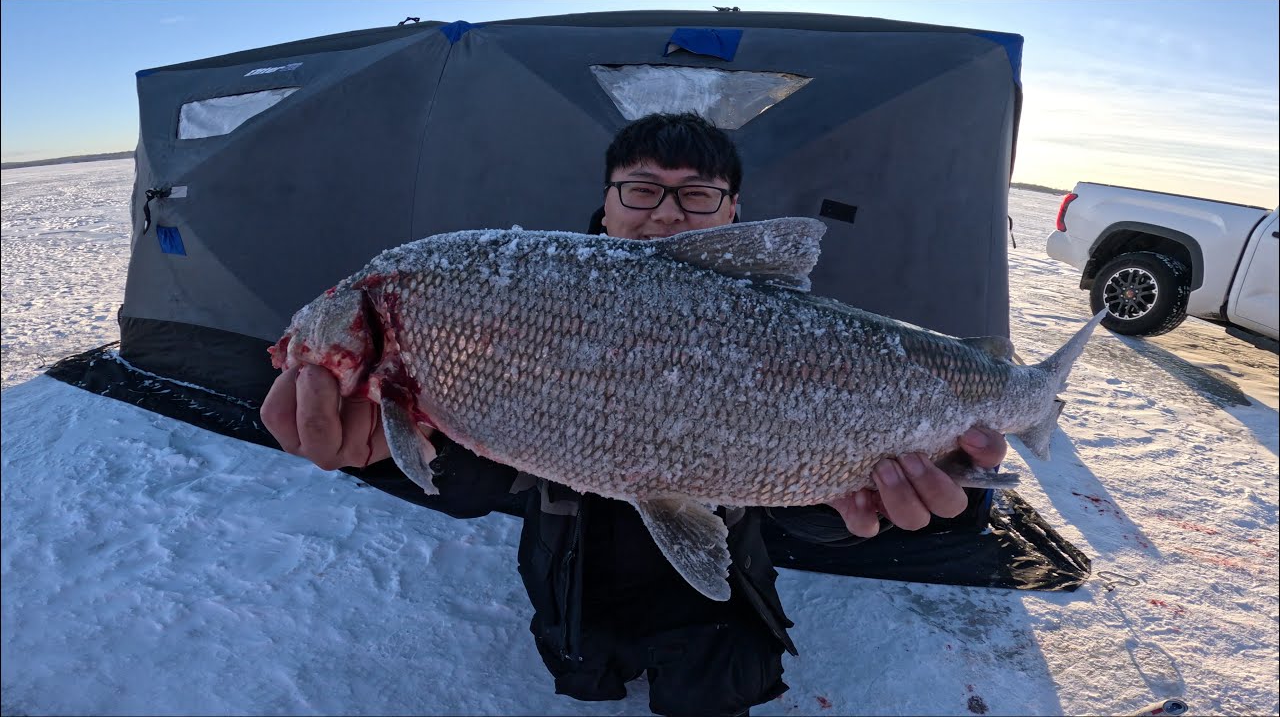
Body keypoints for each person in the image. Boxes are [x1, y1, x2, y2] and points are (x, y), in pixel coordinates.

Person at [261, 112, 1008, 716]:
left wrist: (848, 505)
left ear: (734, 211)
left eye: (698, 195)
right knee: (588, 672)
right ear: (608, 200)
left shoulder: (791, 329)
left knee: (715, 692)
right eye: (643, 190)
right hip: (573, 592)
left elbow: (799, 508)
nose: (666, 213)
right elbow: (474, 481)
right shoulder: (523, 307)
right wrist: (390, 454)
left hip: (724, 611)